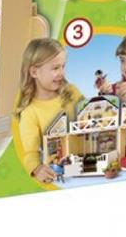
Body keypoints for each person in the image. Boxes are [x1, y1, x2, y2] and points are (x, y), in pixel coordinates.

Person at [15, 38, 83, 184]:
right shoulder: (30, 112)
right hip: (62, 170)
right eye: (55, 68)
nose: (62, 73)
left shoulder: (71, 92)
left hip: (86, 160)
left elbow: (92, 113)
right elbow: (31, 152)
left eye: (63, 66)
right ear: (34, 72)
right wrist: (36, 168)